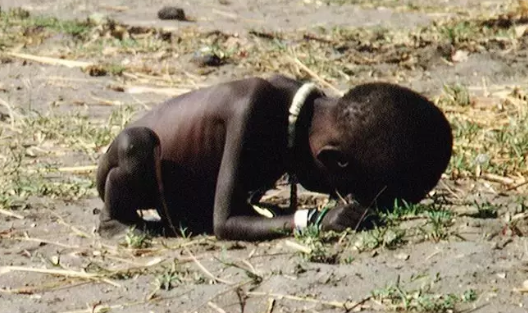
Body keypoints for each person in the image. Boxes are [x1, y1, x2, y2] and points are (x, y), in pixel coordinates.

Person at [96, 75, 453, 240]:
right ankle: (114, 220)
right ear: (332, 161)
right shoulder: (254, 107)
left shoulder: (309, 117)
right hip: (137, 167)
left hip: (191, 192)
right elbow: (226, 223)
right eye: (344, 190)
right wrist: (312, 220)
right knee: (135, 148)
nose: (339, 198)